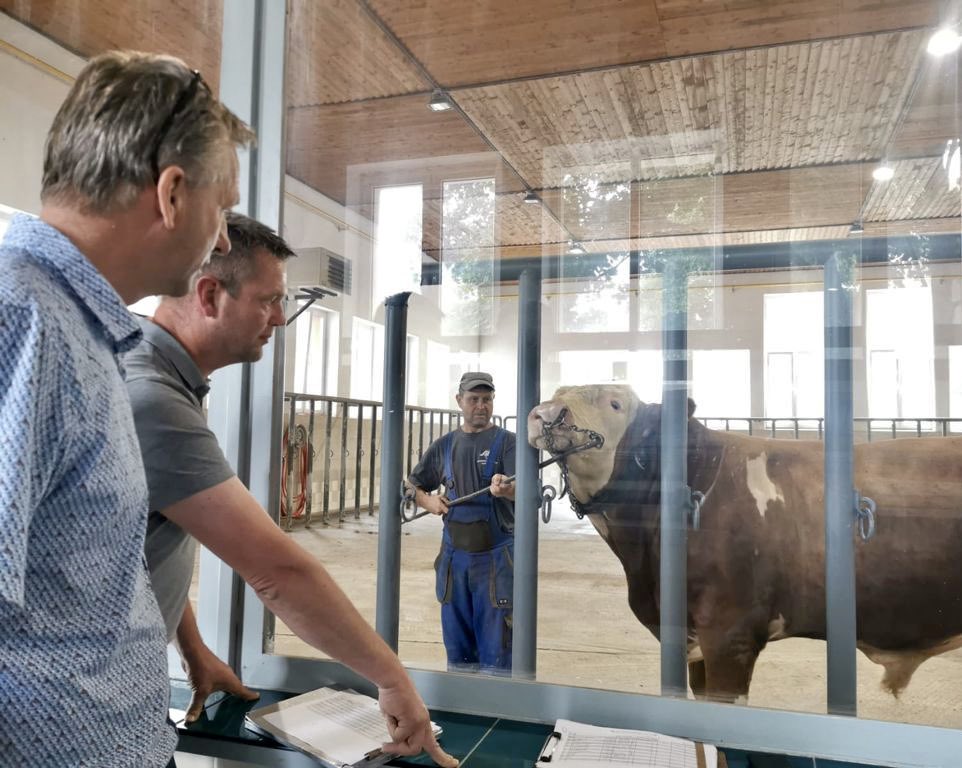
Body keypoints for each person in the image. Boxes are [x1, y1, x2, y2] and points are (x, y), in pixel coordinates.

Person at [126, 212, 456, 768]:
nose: (280, 319)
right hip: (91, 711)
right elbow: (279, 575)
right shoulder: (153, 399)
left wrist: (192, 648)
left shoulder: (149, 370)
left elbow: (142, 540)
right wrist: (392, 680)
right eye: (269, 300)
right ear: (209, 294)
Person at [0, 51, 252, 767]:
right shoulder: (26, 320)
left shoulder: (77, 324)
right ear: (172, 194)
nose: (224, 239)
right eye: (223, 209)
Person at [407, 372, 517, 675]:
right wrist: (426, 500)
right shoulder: (444, 447)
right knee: (458, 652)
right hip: (454, 563)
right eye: (473, 399)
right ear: (460, 401)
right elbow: (410, 485)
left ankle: (497, 707)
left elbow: (529, 491)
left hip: (497, 562)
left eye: (487, 399)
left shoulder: (508, 444)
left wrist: (508, 489)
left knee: (499, 652)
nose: (481, 406)